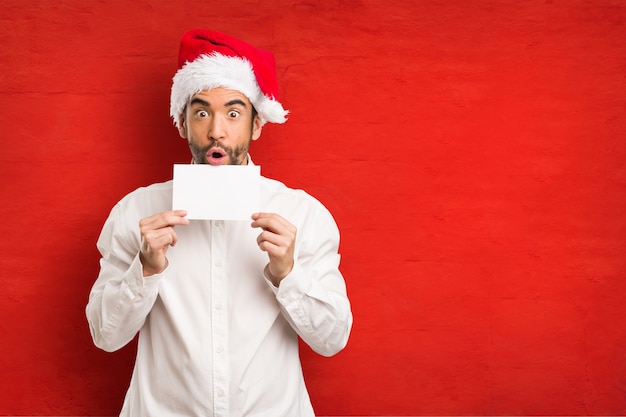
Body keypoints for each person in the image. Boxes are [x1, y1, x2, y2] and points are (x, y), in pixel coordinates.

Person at [85, 29, 353, 416]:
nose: (216, 130)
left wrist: (287, 273)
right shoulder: (135, 212)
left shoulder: (303, 214)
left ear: (256, 125)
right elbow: (105, 336)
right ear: (181, 123)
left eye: (232, 112)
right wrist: (145, 269)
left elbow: (332, 340)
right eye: (201, 112)